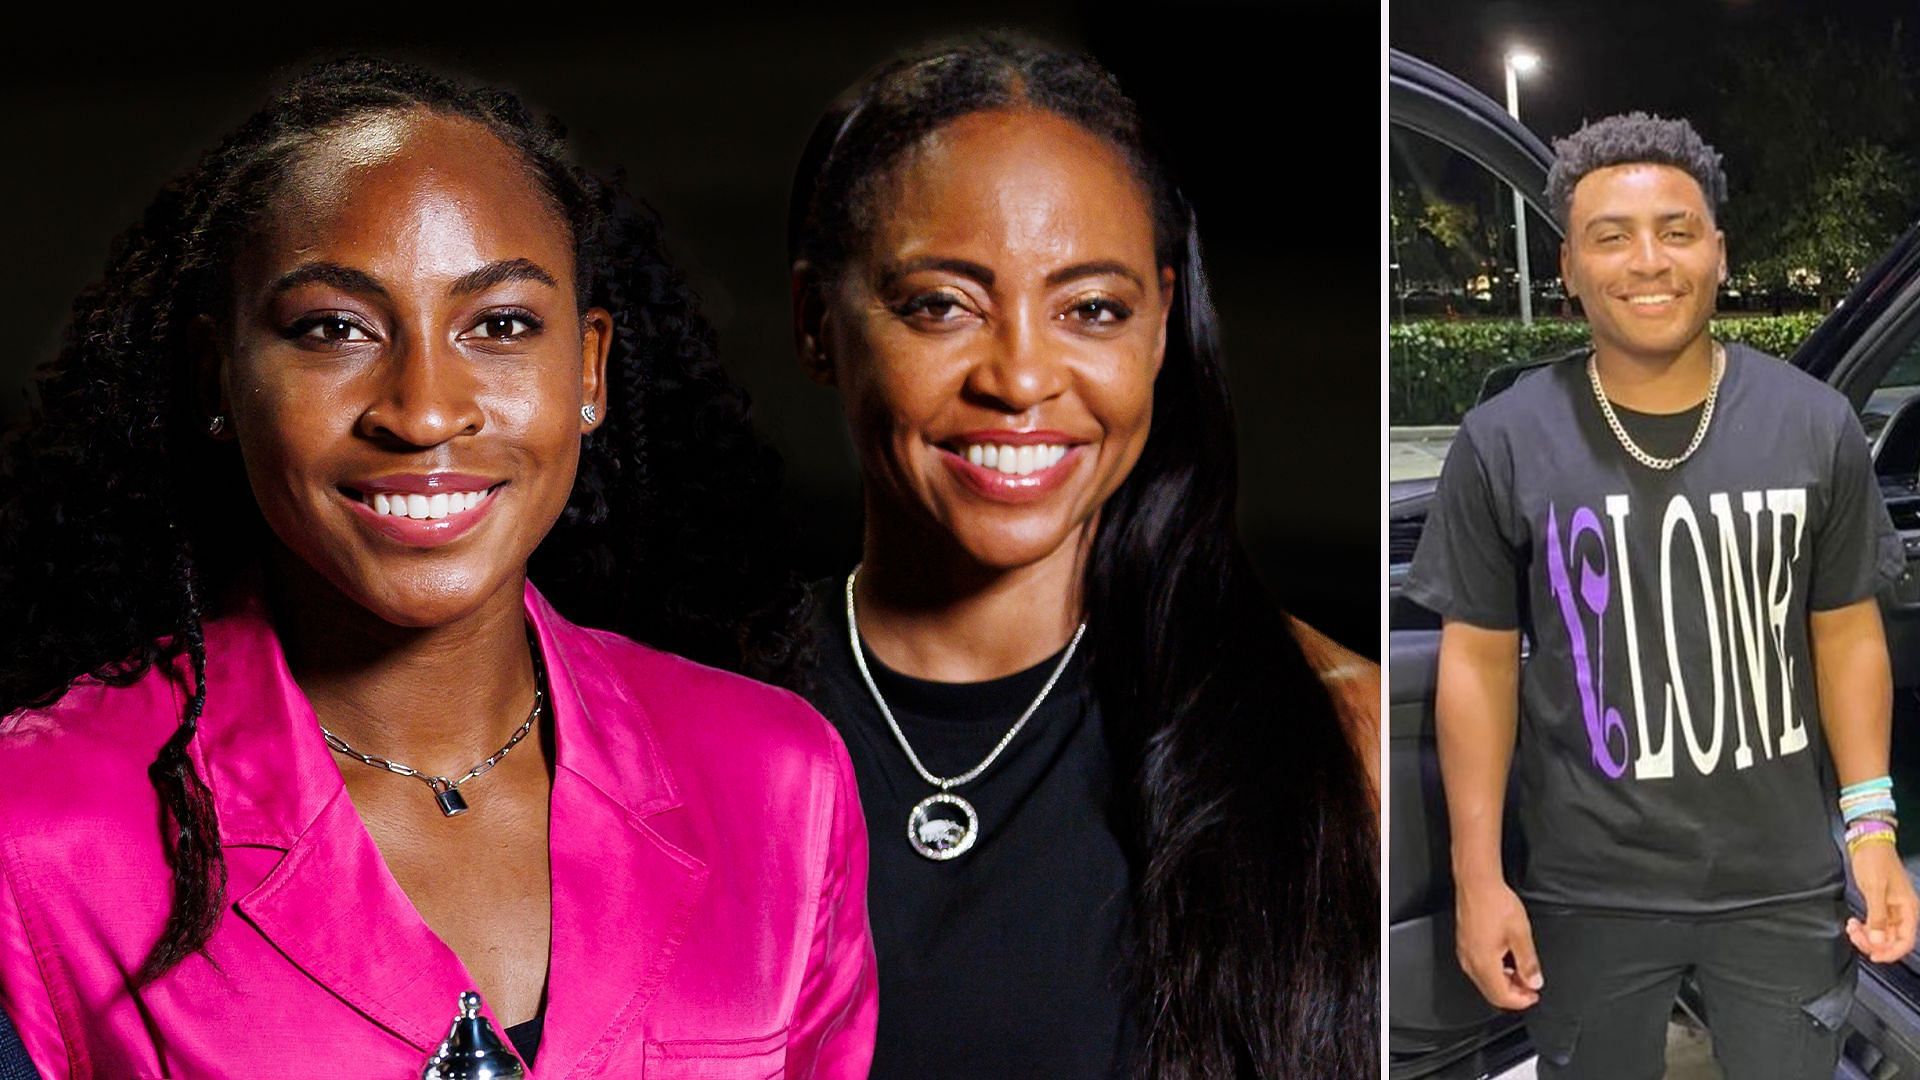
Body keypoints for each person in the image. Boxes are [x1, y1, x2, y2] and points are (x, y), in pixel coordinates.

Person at [0, 57, 875, 1077]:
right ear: (218, 375)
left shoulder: (778, 784)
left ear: (588, 372)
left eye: (499, 326)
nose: (421, 410)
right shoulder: (40, 825)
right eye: (334, 329)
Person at [784, 35, 1378, 1080]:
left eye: (1091, 310)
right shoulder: (679, 728)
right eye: (941, 305)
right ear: (817, 325)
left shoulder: (1339, 737)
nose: (1021, 377)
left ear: (1158, 329)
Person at [1407, 112, 1918, 1078]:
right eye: (1612, 236)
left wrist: (1874, 830)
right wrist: (1480, 879)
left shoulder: (1816, 425)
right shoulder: (1504, 439)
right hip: (1588, 888)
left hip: (1786, 886)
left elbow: (1847, 632)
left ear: (1718, 252)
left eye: (1677, 231)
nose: (1649, 261)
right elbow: (1477, 665)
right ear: (1568, 264)